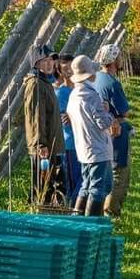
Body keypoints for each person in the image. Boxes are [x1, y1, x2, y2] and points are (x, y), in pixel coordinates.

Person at [66, 55, 115, 216]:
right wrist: (108, 112)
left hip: (83, 148)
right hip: (98, 148)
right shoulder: (92, 96)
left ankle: (78, 219)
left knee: (86, 186)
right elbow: (103, 123)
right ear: (90, 74)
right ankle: (91, 224)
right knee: (98, 188)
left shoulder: (74, 95)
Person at [21, 43, 64, 208]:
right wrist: (40, 144)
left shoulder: (45, 82)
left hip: (50, 143)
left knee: (48, 183)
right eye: (44, 60)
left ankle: (44, 212)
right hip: (43, 146)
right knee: (41, 185)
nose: (49, 64)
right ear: (35, 63)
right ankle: (36, 214)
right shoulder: (35, 84)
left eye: (51, 60)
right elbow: (35, 117)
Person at [93, 42, 133, 217]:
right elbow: (125, 111)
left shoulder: (96, 78)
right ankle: (111, 211)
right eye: (119, 56)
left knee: (107, 169)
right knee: (120, 173)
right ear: (114, 60)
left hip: (100, 132)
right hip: (115, 131)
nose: (121, 59)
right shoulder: (112, 83)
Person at [54, 54, 80, 204]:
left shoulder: (81, 89)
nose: (70, 72)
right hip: (70, 144)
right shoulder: (61, 93)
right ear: (60, 72)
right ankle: (73, 208)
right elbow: (64, 120)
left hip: (84, 142)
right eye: (66, 69)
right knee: (73, 180)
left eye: (72, 68)